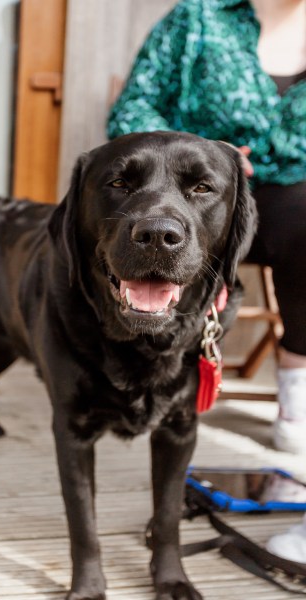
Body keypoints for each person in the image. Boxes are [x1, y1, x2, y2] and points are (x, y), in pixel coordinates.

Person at [107, 0, 306, 456]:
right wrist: (206, 154)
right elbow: (133, 106)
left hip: (291, 201)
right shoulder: (199, 18)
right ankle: (159, 378)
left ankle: (297, 393)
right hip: (192, 194)